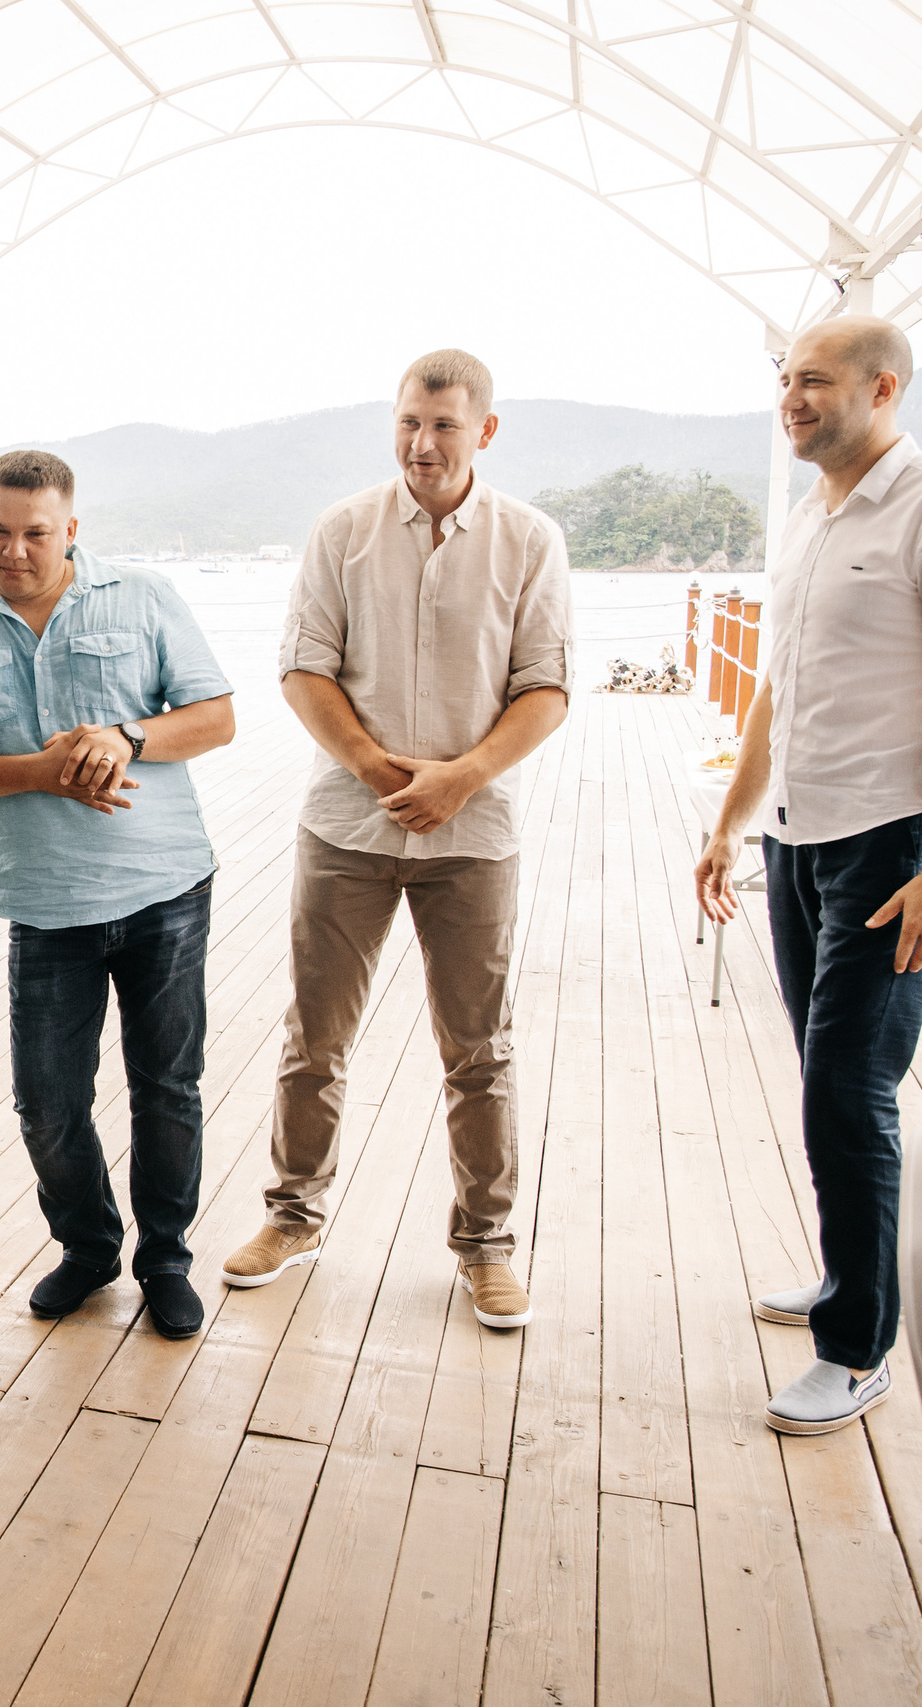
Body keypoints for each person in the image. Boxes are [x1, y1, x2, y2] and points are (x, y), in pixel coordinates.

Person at [697, 314, 922, 1435]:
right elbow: (776, 690)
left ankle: (857, 1347)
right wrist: (731, 822)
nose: (791, 397)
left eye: (814, 380)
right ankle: (846, 1280)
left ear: (882, 389)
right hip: (797, 836)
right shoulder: (808, 520)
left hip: (891, 843)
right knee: (822, 1076)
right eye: (784, 379)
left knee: (848, 1086)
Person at [223, 350, 572, 1334]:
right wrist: (380, 771)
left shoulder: (529, 541)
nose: (423, 444)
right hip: (347, 825)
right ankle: (292, 1218)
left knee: (480, 1053)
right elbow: (302, 670)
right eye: (410, 423)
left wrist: (460, 776)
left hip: (475, 834)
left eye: (445, 427)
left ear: (485, 432)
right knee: (314, 1040)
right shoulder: (342, 532)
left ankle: (487, 1248)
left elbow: (544, 685)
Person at [0, 451, 234, 1340]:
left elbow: (217, 715)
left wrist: (127, 737)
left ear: (72, 531)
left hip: (165, 886)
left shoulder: (144, 594)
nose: (14, 550)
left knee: (166, 1085)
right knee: (47, 1103)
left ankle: (165, 1258)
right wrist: (41, 772)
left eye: (36, 533)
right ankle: (88, 1246)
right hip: (43, 900)